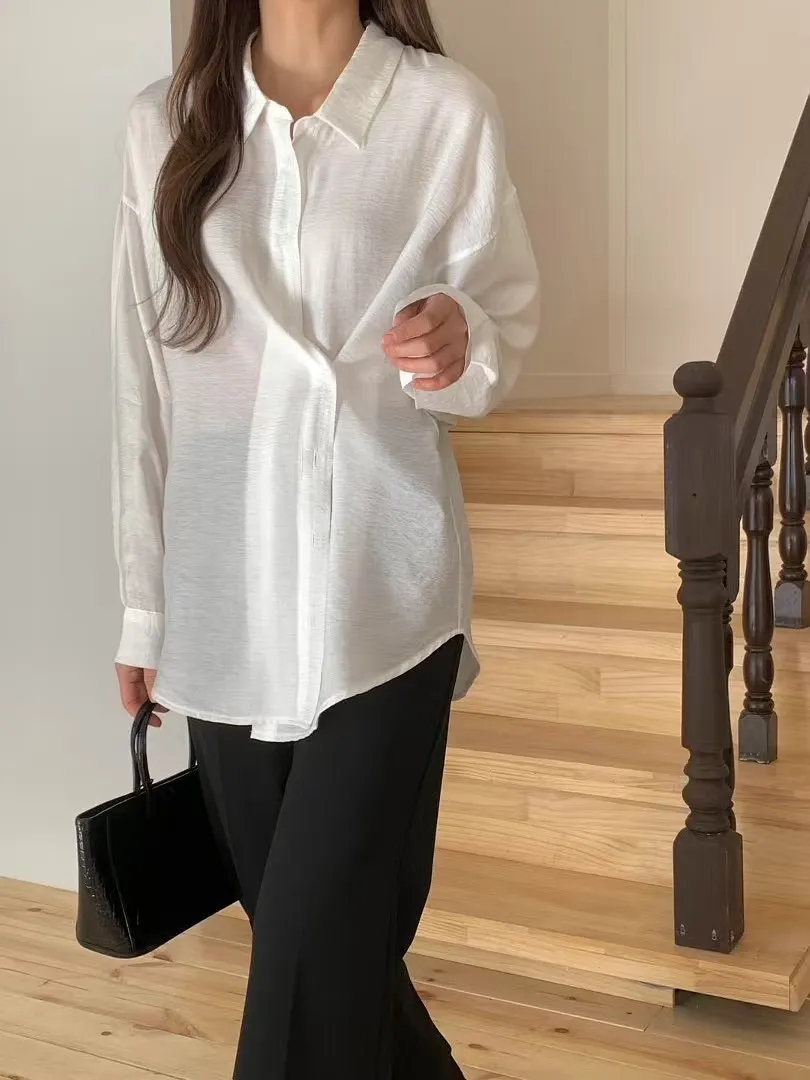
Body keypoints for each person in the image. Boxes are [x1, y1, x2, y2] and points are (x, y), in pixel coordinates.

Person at [112, 0, 539, 1076]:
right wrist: (144, 607)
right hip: (226, 606)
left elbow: (501, 326)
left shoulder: (445, 113)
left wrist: (463, 342)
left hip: (385, 596)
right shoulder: (165, 125)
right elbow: (143, 384)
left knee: (305, 971)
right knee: (332, 964)